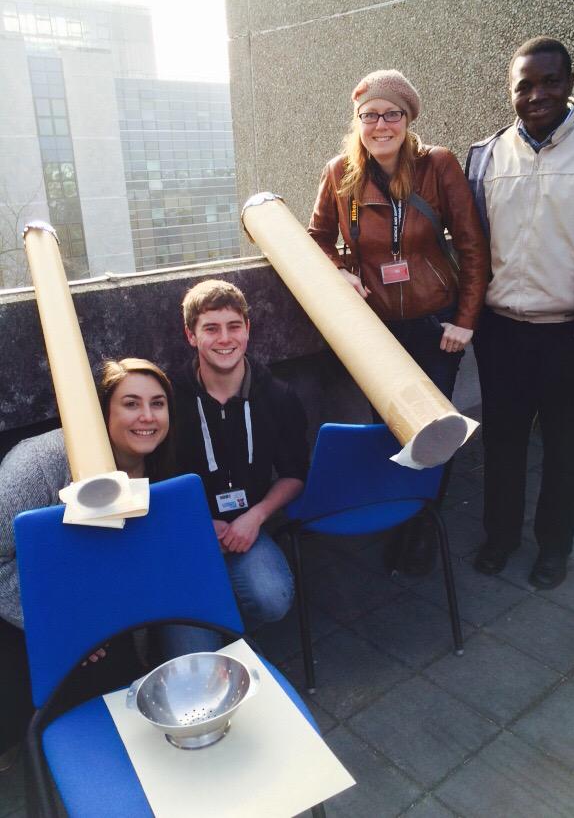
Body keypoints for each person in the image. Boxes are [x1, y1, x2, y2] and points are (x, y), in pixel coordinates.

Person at [466, 36, 574, 589]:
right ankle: (500, 537)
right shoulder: (486, 155)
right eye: (525, 85)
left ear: (569, 84)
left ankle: (554, 548)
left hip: (572, 335)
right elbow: (471, 250)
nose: (538, 94)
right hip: (501, 334)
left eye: (550, 82)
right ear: (510, 91)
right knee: (503, 443)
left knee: (567, 450)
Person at [308, 68, 489, 572]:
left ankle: (421, 525)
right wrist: (342, 271)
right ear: (358, 122)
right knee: (386, 426)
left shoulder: (438, 166)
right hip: (378, 330)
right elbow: (317, 236)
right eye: (370, 115)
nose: (381, 124)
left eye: (393, 114)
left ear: (408, 119)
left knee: (434, 427)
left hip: (438, 324)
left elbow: (473, 246)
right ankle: (394, 511)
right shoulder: (340, 172)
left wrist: (466, 320)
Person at [0, 358, 175, 768]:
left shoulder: (164, 462)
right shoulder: (38, 465)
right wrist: (63, 622)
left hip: (102, 615)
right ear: (101, 413)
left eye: (159, 403)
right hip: (25, 612)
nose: (147, 416)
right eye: (131, 404)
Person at [166, 279, 308, 655]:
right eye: (210, 328)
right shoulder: (168, 398)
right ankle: (205, 621)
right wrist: (196, 523)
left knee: (273, 599)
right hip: (185, 533)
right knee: (191, 652)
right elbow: (151, 480)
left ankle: (229, 628)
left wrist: (256, 517)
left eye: (234, 326)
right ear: (191, 336)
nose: (224, 339)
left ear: (248, 329)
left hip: (247, 528)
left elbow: (295, 474)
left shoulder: (278, 396)